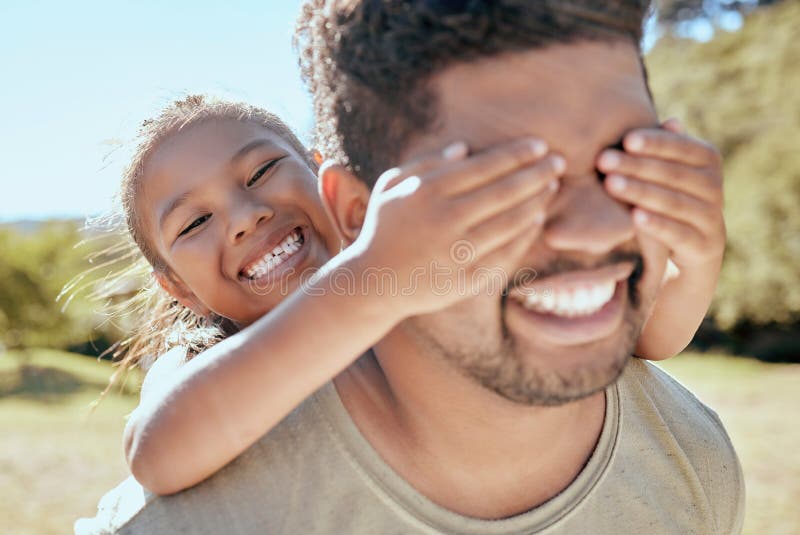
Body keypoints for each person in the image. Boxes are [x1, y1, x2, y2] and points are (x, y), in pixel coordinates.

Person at [77, 1, 744, 534]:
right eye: (193, 223)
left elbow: (651, 338)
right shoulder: (206, 360)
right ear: (175, 286)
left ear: (320, 181)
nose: (245, 216)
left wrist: (698, 245)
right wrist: (374, 276)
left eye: (262, 170)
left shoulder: (690, 464)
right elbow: (158, 454)